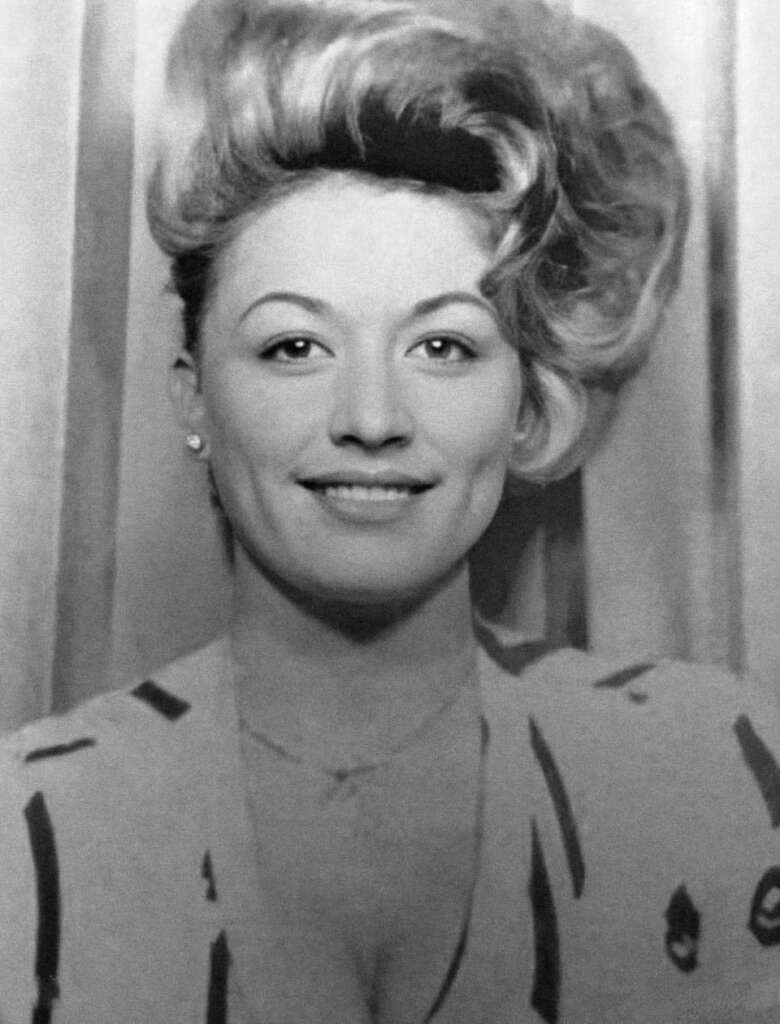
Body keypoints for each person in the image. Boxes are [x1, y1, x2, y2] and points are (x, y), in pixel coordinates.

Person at [2, 0, 779, 1021]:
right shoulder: (30, 832)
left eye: (444, 345)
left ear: (526, 390)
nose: (371, 418)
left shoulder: (715, 777)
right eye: (295, 346)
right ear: (193, 391)